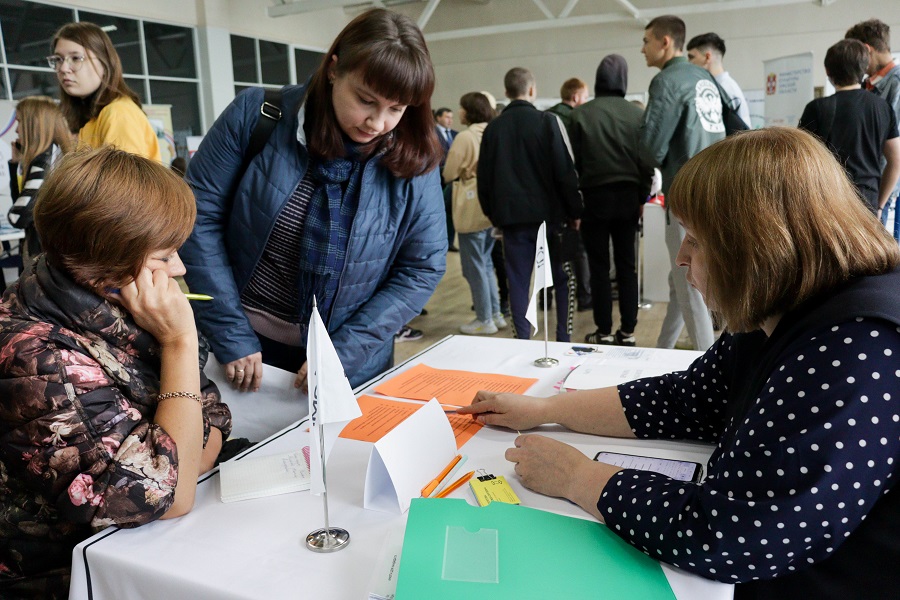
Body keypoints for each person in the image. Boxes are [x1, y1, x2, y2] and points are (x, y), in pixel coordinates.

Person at [459, 127, 900, 598]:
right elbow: (686, 400)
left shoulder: (855, 349)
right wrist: (546, 409)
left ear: (757, 245)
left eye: (696, 239)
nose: (683, 259)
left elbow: (735, 537)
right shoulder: (785, 306)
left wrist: (578, 477)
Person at [0, 147, 231, 597]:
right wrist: (179, 344)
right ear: (101, 262)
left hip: (138, 550)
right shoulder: (33, 356)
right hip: (67, 578)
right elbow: (169, 496)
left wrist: (178, 457)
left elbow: (215, 418)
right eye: (164, 257)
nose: (180, 269)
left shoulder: (117, 306)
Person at [182, 9, 446, 392]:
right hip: (241, 350)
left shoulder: (414, 155)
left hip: (347, 361)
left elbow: (421, 267)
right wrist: (229, 330)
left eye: (396, 109)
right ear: (334, 69)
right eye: (365, 100)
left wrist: (345, 350)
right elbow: (197, 217)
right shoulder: (258, 115)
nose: (377, 122)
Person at [477, 67, 583, 343]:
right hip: (550, 219)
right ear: (532, 90)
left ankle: (522, 341)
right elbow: (565, 171)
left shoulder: (493, 129)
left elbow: (484, 179)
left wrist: (494, 215)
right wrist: (574, 212)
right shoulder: (547, 121)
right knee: (561, 279)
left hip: (511, 220)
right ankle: (563, 337)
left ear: (506, 91)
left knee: (518, 283)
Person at [639, 15, 724, 351]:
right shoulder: (704, 76)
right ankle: (661, 351)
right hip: (716, 187)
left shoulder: (667, 81)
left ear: (665, 42)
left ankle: (709, 366)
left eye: (646, 41)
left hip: (686, 192)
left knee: (691, 286)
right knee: (681, 282)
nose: (642, 49)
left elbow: (650, 147)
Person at [568, 54, 653, 347]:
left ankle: (603, 329)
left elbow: (574, 165)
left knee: (599, 265)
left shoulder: (580, 114)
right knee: (627, 265)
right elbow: (647, 162)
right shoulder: (638, 115)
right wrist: (643, 196)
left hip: (594, 198)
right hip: (629, 197)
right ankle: (628, 332)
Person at [798, 39, 900, 215]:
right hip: (868, 204)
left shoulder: (817, 108)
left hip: (828, 204)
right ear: (864, 67)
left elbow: (799, 161)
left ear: (828, 72)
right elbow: (896, 161)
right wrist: (879, 206)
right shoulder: (882, 107)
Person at [443, 92, 506, 335]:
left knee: (474, 267)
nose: (458, 112)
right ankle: (495, 314)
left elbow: (449, 172)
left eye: (461, 107)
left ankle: (483, 319)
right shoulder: (494, 131)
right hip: (491, 207)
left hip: (470, 205)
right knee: (486, 263)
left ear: (469, 110)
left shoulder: (466, 137)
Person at [51, 22, 161, 161]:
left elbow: (123, 182)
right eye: (58, 59)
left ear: (104, 63)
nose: (63, 68)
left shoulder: (118, 113)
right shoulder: (92, 117)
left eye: (76, 58)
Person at [846, 18, 900, 240]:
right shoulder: (868, 84)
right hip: (866, 190)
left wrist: (878, 204)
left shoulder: (896, 85)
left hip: (880, 193)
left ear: (866, 50)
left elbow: (893, 153)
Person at [6, 96, 74, 264]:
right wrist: (15, 164)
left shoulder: (44, 161)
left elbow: (18, 216)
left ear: (33, 125)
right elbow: (22, 203)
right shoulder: (56, 155)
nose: (16, 130)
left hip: (46, 258)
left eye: (20, 122)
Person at [686, 32, 751, 127]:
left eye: (691, 57)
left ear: (707, 57)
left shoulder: (727, 90)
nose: (689, 62)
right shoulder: (714, 87)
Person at [435, 106, 458, 251]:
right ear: (438, 118)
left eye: (451, 117)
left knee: (451, 211)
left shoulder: (456, 134)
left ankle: (449, 241)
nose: (450, 120)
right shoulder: (431, 133)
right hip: (437, 176)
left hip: (452, 179)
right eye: (447, 117)